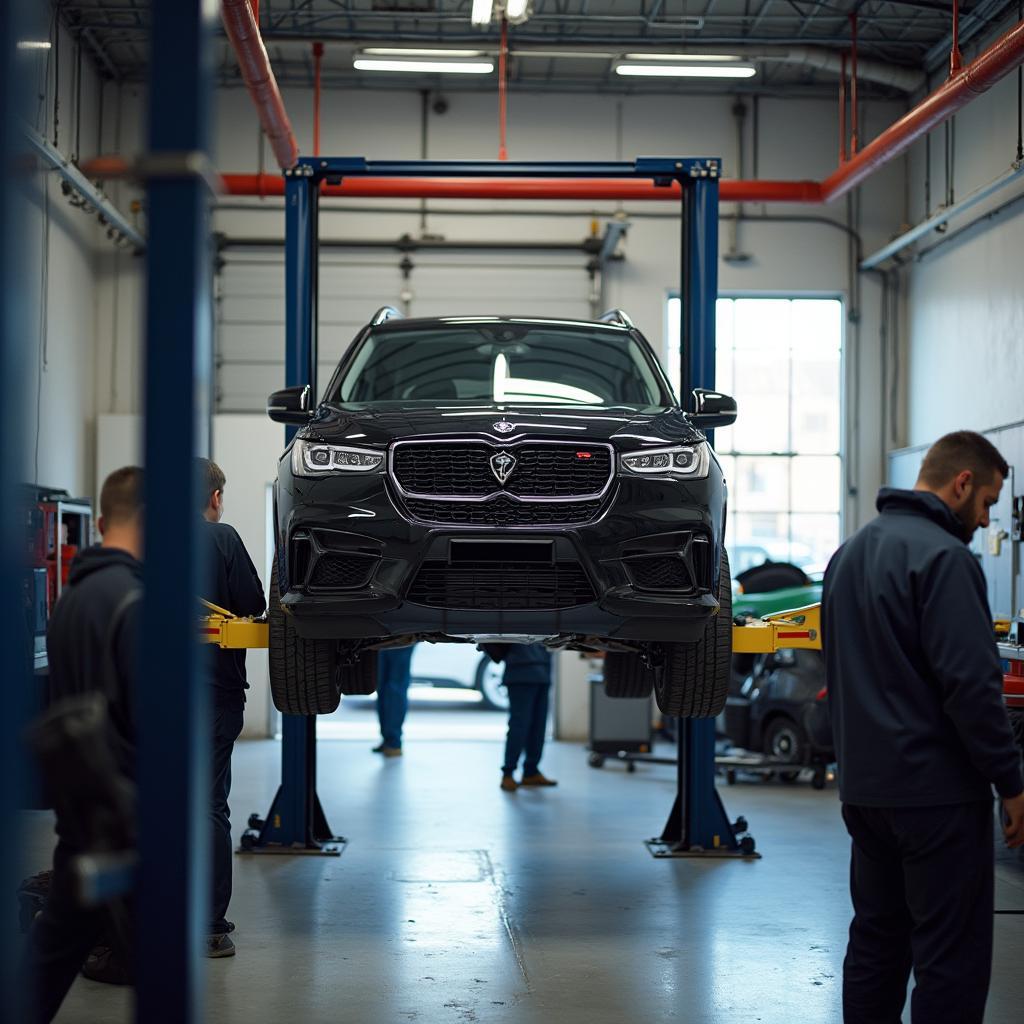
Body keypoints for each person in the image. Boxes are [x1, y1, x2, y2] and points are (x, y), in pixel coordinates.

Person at [821, 430, 1024, 1024]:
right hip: (936, 799)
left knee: (877, 943)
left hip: (865, 791)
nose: (986, 520)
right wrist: (1012, 785)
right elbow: (973, 689)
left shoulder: (849, 554)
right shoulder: (945, 558)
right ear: (961, 483)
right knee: (950, 959)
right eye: (987, 502)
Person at [26, 466, 144, 1022]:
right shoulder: (137, 602)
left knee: (54, 952)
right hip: (126, 816)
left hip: (81, 807)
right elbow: (149, 722)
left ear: (99, 521)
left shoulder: (72, 599)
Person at [197, 458, 266, 958]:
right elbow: (252, 603)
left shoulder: (143, 542)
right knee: (208, 808)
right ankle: (208, 928)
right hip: (213, 697)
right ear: (215, 498)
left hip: (149, 697)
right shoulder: (222, 539)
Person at [484, 643, 557, 792]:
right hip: (521, 671)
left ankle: (531, 772)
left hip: (543, 670)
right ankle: (508, 773)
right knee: (519, 726)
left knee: (538, 727)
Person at [373, 645, 415, 757]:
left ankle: (393, 742)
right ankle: (388, 739)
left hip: (402, 633)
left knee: (394, 687)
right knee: (383, 685)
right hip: (383, 634)